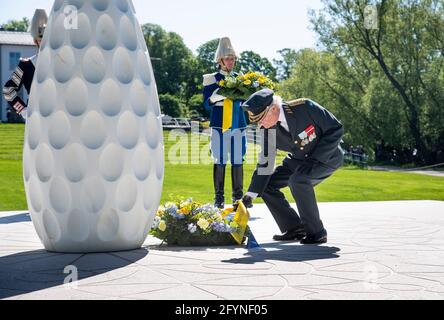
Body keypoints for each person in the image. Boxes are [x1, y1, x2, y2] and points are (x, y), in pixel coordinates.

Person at [240, 89, 344, 244]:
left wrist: (315, 160)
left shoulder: (305, 107)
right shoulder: (267, 129)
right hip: (298, 160)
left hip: (326, 157)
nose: (260, 124)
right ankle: (295, 228)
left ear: (273, 108)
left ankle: (317, 232)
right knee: (267, 186)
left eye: (261, 119)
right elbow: (266, 161)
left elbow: (335, 129)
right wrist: (250, 195)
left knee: (298, 180)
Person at [203, 37, 248, 209]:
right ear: (220, 60)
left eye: (233, 58)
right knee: (220, 159)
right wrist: (215, 97)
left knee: (238, 159)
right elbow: (206, 104)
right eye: (228, 59)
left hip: (238, 124)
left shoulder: (242, 78)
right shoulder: (210, 79)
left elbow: (246, 102)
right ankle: (219, 198)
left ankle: (238, 199)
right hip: (219, 125)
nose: (231, 62)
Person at [3, 9, 48, 121]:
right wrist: (23, 110)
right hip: (36, 119)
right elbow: (8, 90)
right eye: (41, 39)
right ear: (35, 41)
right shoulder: (26, 64)